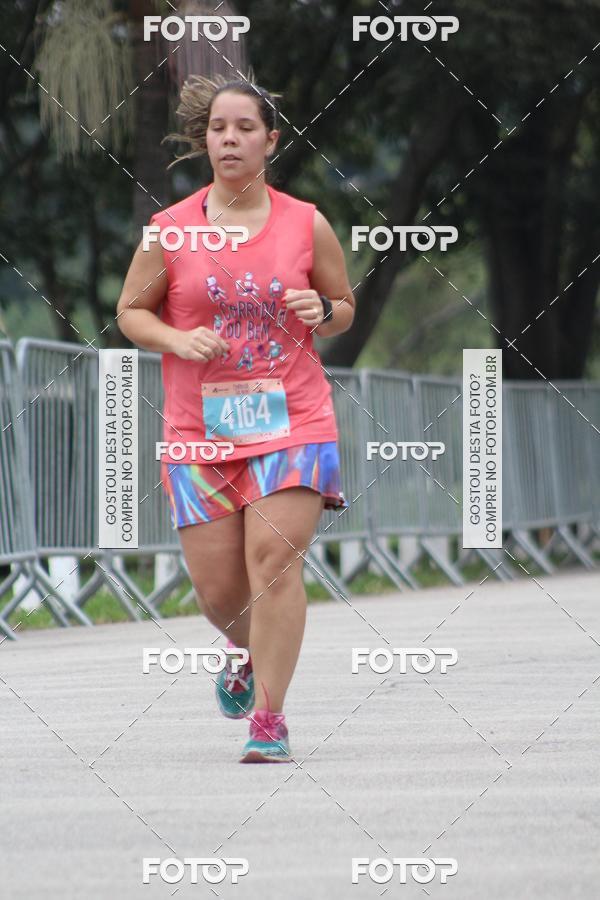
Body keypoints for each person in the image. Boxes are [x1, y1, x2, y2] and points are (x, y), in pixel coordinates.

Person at [116, 72, 356, 763]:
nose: (230, 138)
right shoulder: (169, 230)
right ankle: (243, 649)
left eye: (245, 127)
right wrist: (176, 339)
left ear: (270, 140)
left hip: (294, 421)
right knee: (222, 592)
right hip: (202, 432)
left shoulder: (306, 221)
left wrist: (324, 313)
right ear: (205, 140)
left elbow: (342, 306)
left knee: (274, 563)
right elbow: (130, 311)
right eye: (219, 128)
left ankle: (270, 721)